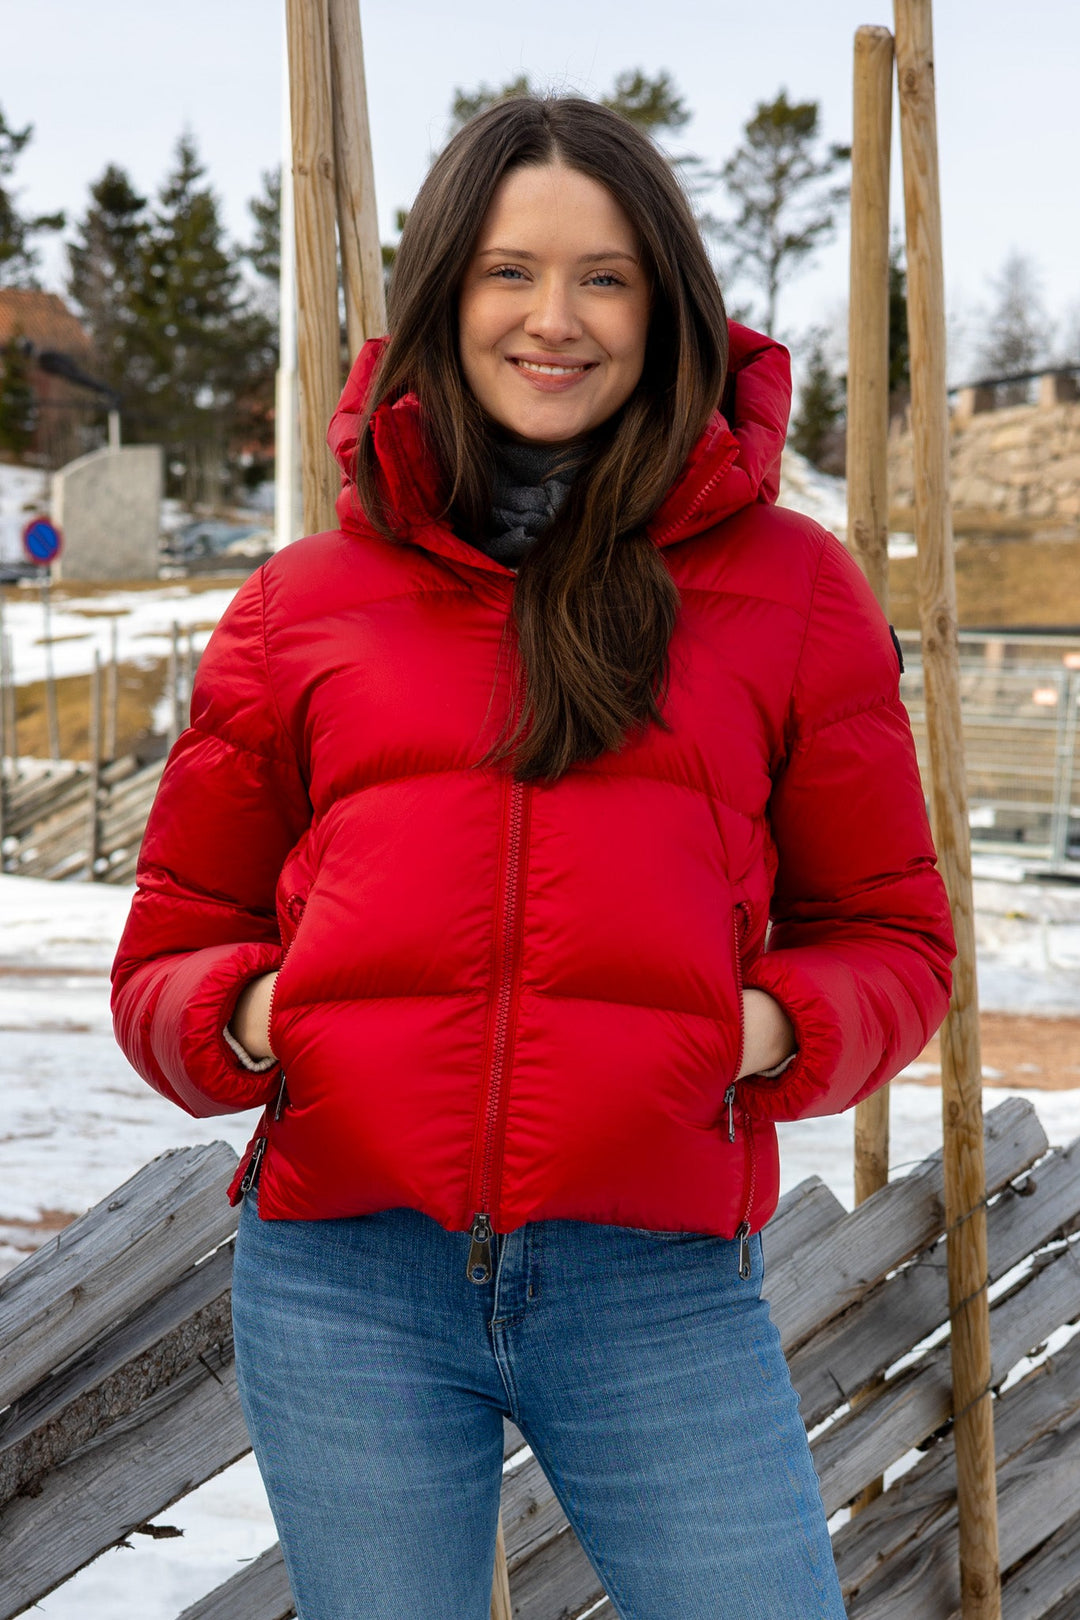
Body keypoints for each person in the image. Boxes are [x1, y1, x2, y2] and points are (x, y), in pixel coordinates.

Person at [111, 94, 955, 1620]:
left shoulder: (794, 593)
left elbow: (895, 940)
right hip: (342, 1281)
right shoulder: (302, 604)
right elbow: (170, 944)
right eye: (510, 272)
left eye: (604, 277)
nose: (552, 319)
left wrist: (757, 1031)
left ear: (667, 304)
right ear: (448, 292)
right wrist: (257, 1016)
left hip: (655, 1282)